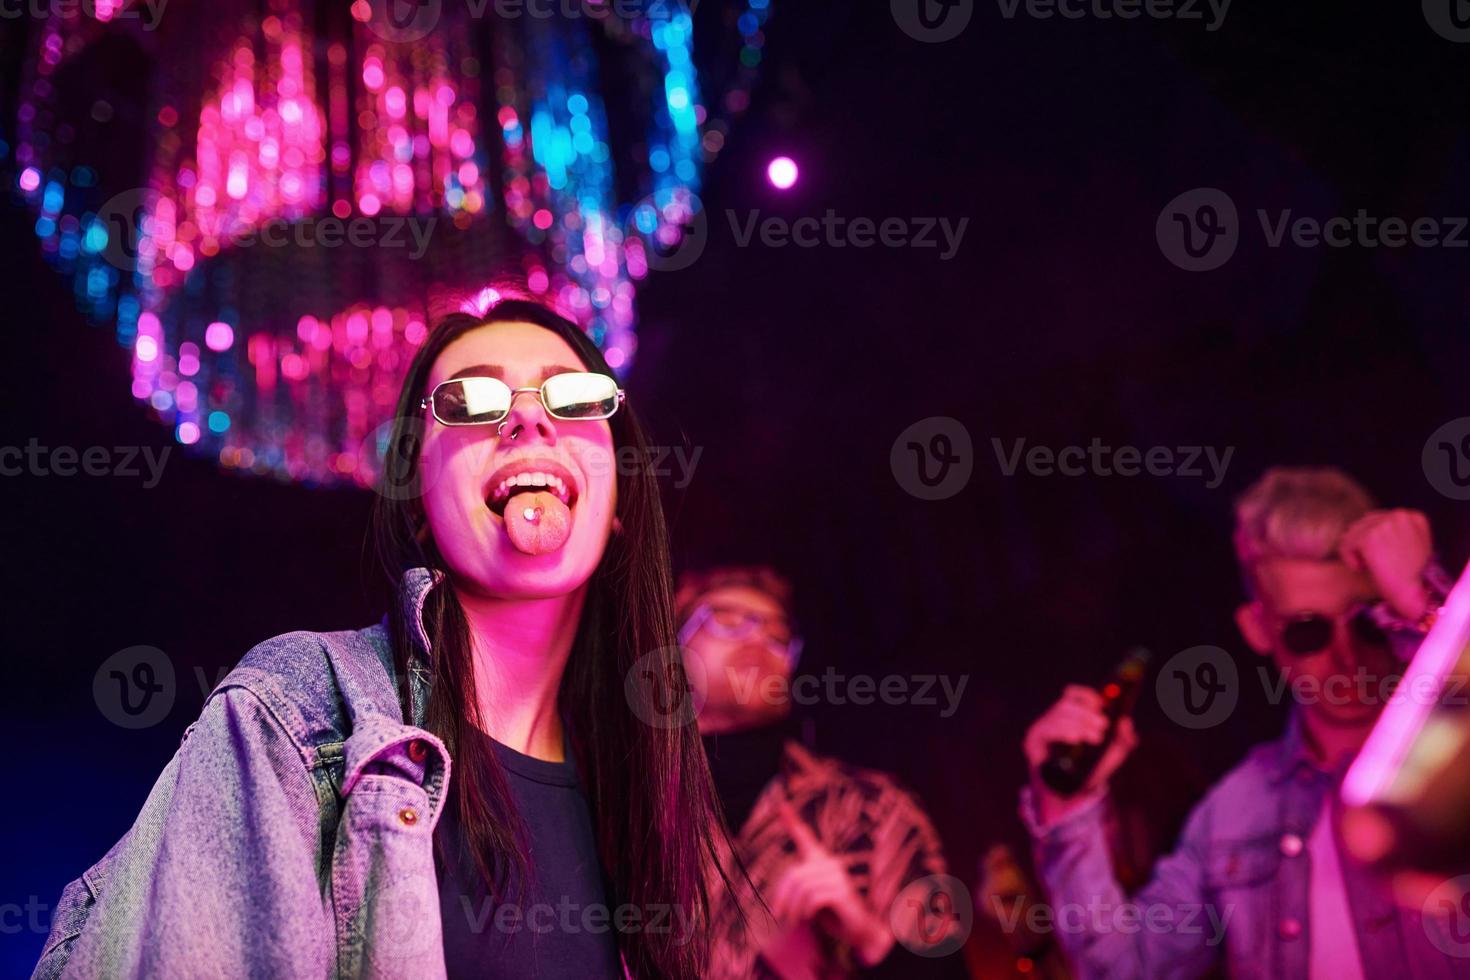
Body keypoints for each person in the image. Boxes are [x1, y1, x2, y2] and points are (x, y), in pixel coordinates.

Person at [34, 287, 732, 979]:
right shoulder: (302, 709)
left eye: (574, 396)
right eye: (470, 402)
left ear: (619, 500)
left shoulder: (648, 806)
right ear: (422, 499)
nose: (525, 419)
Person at [1020, 465, 1467, 979]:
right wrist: (1066, 810)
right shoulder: (1233, 816)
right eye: (1307, 632)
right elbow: (1123, 971)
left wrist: (1428, 608)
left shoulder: (1454, 766)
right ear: (1258, 630)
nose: (1346, 659)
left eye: (1366, 621)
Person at [677, 565, 963, 978]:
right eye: (729, 622)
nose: (758, 640)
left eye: (778, 637)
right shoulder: (621, 812)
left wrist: (869, 937)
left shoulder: (871, 808)